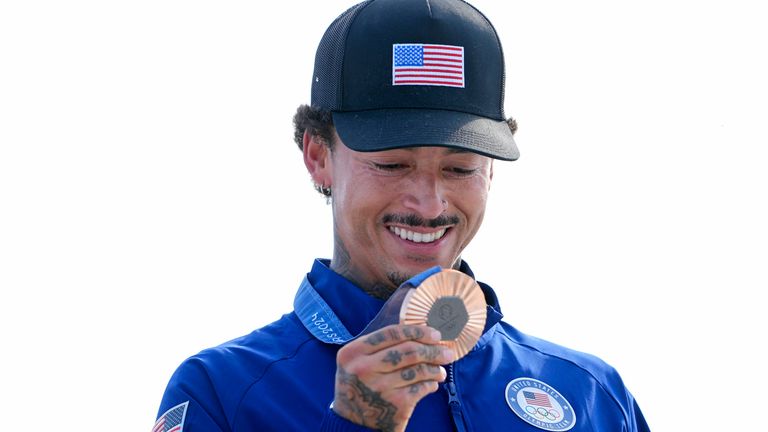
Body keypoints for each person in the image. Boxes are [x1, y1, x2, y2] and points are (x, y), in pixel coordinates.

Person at [154, 0, 651, 431]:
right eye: (392, 164)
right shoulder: (221, 392)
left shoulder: (592, 395)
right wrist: (356, 426)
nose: (430, 205)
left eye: (460, 168)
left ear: (492, 171)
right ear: (318, 155)